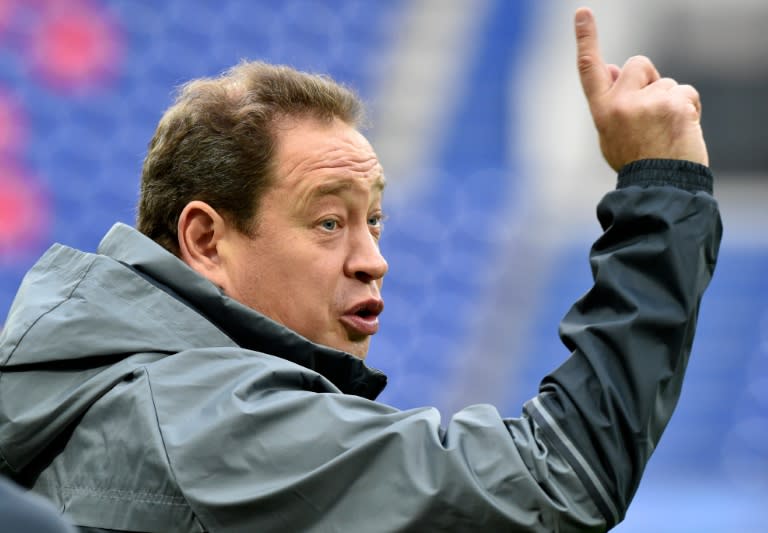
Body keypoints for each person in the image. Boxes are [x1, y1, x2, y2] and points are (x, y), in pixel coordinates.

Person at [0, 8, 721, 532]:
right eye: (328, 221)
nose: (373, 258)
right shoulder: (210, 421)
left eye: (373, 220)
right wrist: (662, 188)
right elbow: (558, 478)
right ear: (205, 240)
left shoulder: (84, 388)